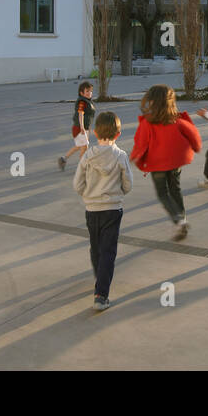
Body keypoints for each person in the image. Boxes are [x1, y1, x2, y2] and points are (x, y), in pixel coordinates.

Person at [73, 112, 132, 311]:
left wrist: (87, 195)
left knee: (96, 246)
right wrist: (119, 192)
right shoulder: (121, 156)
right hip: (113, 209)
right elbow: (128, 184)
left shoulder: (88, 155)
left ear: (95, 132)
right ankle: (101, 294)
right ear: (118, 134)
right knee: (108, 250)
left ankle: (100, 277)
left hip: (92, 209)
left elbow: (77, 183)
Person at [131, 84, 202, 241]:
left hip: (158, 165)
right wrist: (196, 147)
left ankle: (178, 220)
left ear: (152, 102)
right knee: (175, 189)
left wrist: (135, 157)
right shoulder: (177, 121)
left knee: (163, 193)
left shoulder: (147, 123)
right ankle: (182, 218)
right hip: (175, 162)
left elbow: (141, 143)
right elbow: (193, 134)